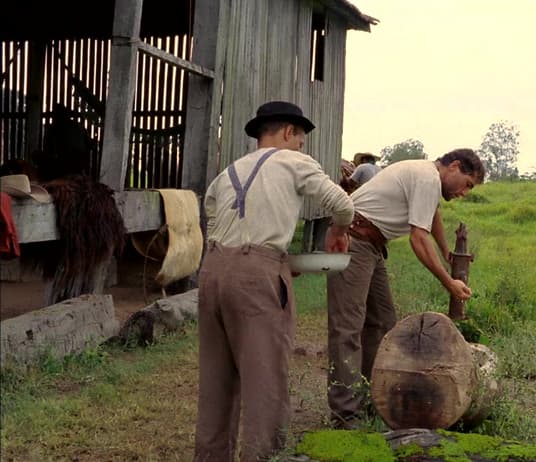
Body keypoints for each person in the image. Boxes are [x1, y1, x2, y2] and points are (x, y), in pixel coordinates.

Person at [195, 101, 354, 461]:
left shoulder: (227, 173)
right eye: (300, 140)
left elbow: (213, 224)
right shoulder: (294, 161)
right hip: (257, 276)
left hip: (213, 271)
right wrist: (339, 232)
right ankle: (262, 456)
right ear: (287, 132)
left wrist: (274, 260)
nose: (301, 147)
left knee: (215, 381)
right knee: (264, 377)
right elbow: (343, 205)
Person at [326, 148, 486, 428]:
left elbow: (431, 214)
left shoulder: (427, 179)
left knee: (382, 322)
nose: (465, 193)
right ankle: (345, 415)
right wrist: (448, 282)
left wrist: (447, 252)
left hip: (372, 245)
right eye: (468, 184)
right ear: (455, 166)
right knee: (347, 327)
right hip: (352, 240)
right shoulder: (426, 178)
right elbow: (418, 238)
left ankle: (369, 399)